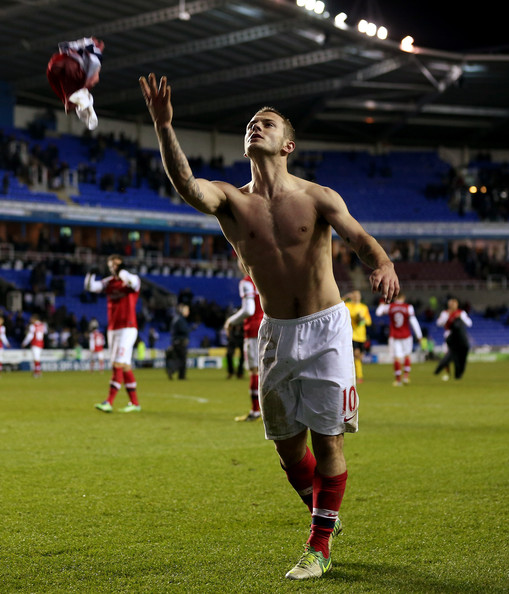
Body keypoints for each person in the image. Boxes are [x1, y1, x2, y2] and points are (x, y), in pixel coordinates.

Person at [140, 73, 399, 580]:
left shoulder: (319, 196)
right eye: (251, 124)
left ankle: (319, 544)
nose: (256, 127)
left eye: (268, 123)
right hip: (277, 333)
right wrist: (164, 125)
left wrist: (383, 264)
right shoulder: (232, 202)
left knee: (328, 441)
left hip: (325, 330)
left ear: (288, 144)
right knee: (286, 446)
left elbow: (362, 239)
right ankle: (323, 510)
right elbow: (187, 186)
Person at [84, 255, 142, 412]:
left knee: (117, 363)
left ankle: (108, 402)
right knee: (124, 366)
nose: (113, 267)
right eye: (111, 264)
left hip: (128, 328)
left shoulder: (132, 280)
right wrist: (90, 273)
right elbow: (90, 287)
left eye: (116, 264)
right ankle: (135, 404)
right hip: (113, 328)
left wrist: (122, 272)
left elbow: (132, 282)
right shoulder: (109, 282)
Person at [224, 268, 264, 421]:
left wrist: (230, 321)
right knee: (267, 371)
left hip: (253, 330)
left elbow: (249, 309)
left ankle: (255, 411)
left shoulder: (247, 282)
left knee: (254, 371)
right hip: (269, 326)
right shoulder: (265, 277)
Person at [46, 37, 104, 130]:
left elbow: (63, 45)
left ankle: (82, 104)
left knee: (68, 105)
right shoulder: (94, 58)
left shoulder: (92, 54)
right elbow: (94, 79)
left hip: (55, 67)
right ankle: (84, 104)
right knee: (84, 86)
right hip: (69, 66)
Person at [375, 293, 423, 386]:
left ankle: (398, 380)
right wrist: (419, 335)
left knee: (397, 357)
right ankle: (406, 377)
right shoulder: (408, 307)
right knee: (407, 356)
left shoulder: (390, 306)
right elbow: (413, 321)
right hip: (406, 335)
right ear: (403, 298)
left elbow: (378, 312)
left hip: (395, 336)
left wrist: (382, 302)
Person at [434, 298, 472, 380]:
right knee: (447, 354)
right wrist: (447, 317)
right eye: (451, 304)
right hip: (449, 335)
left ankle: (457, 373)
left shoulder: (461, 313)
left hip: (459, 336)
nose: (452, 306)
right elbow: (438, 323)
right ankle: (447, 373)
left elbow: (469, 323)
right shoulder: (445, 313)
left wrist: (461, 318)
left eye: (454, 304)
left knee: (456, 356)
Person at [344, 291, 372, 384]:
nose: (356, 297)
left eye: (358, 296)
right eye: (354, 295)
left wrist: (362, 320)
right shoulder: (348, 305)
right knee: (356, 355)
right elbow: (337, 304)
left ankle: (357, 375)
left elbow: (369, 322)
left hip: (362, 336)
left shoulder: (364, 308)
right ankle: (358, 376)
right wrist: (346, 296)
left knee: (359, 357)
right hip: (352, 335)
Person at [166, 303, 190, 380]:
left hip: (175, 341)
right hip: (180, 342)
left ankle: (174, 371)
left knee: (178, 358)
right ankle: (178, 373)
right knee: (182, 359)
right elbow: (183, 330)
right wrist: (189, 330)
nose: (188, 312)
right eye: (187, 310)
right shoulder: (181, 319)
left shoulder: (176, 318)